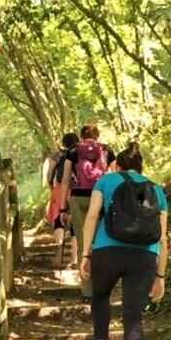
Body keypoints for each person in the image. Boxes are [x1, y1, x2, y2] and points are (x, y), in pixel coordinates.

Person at [78, 143, 168, 340]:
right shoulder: (156, 190)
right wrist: (160, 276)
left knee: (101, 294)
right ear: (142, 168)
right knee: (133, 317)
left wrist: (86, 254)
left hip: (108, 250)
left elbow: (92, 216)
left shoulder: (106, 182)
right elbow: (163, 238)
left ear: (116, 165)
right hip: (144, 256)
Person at [60, 124, 115, 302]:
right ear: (97, 136)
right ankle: (103, 288)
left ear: (81, 136)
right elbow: (115, 176)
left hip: (78, 199)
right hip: (101, 196)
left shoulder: (73, 152)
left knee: (84, 243)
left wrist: (62, 207)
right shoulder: (106, 150)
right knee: (103, 241)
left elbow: (65, 180)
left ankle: (87, 292)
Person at [46, 133, 79, 267]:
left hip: (60, 189)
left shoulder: (59, 155)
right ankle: (74, 259)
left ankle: (60, 246)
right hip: (77, 190)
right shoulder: (80, 154)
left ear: (64, 142)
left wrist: (51, 185)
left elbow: (49, 174)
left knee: (59, 220)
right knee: (74, 226)